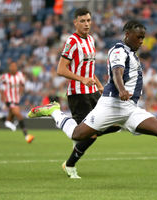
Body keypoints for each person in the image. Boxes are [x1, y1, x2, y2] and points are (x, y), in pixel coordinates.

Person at [28, 20, 157, 183]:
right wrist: (122, 89)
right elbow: (117, 72)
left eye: (143, 38)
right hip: (111, 105)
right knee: (77, 135)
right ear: (127, 35)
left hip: (130, 108)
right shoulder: (119, 50)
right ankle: (54, 110)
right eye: (138, 37)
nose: (141, 41)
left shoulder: (133, 54)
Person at [56, 7, 120, 179]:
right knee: (91, 135)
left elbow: (89, 70)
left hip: (93, 92)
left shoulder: (91, 40)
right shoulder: (72, 41)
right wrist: (81, 79)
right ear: (75, 22)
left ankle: (78, 136)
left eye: (88, 20)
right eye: (82, 21)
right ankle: (69, 165)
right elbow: (61, 69)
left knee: (116, 123)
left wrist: (100, 86)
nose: (86, 24)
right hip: (78, 94)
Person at [0, 62, 34, 143]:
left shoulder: (20, 75)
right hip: (9, 100)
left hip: (16, 100)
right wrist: (3, 97)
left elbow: (22, 84)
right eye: (12, 66)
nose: (13, 68)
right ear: (9, 68)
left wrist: (21, 92)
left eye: (15, 66)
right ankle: (26, 136)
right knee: (19, 115)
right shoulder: (5, 77)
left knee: (10, 119)